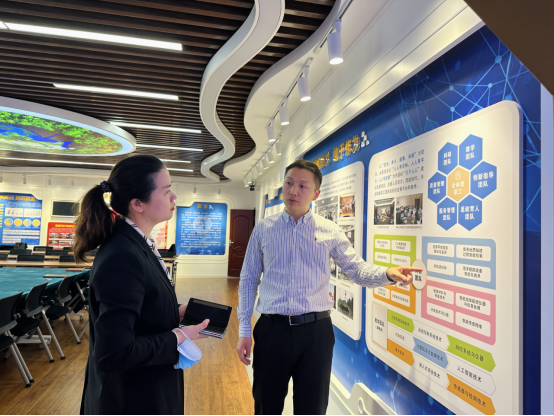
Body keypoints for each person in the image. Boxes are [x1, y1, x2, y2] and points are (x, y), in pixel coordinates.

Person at [236, 160, 421, 415]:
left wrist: (388, 274)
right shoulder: (263, 230)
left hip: (316, 334)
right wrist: (244, 329)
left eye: (303, 186)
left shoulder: (330, 230)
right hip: (272, 330)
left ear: (316, 194)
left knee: (312, 408)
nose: (293, 191)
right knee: (266, 406)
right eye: (289, 183)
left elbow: (356, 269)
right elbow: (248, 279)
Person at [76, 155, 210, 415]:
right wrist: (181, 335)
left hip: (147, 389)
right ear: (137, 203)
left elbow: (139, 310)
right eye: (166, 191)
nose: (174, 197)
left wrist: (175, 313)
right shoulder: (122, 255)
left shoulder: (137, 243)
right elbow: (115, 353)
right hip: (131, 399)